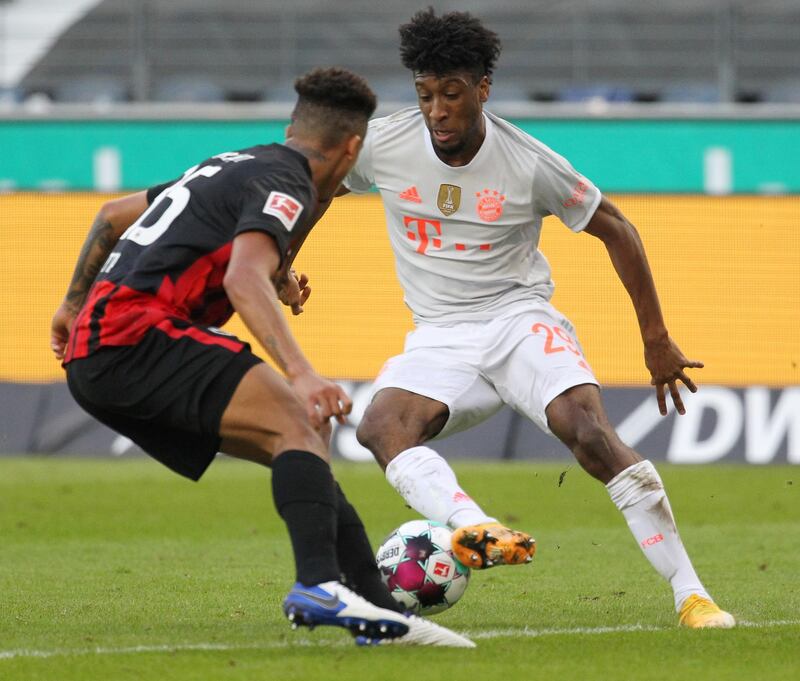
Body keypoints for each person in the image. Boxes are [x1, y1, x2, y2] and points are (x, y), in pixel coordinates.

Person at [335, 9, 734, 629]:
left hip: (517, 319)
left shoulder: (528, 162)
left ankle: (692, 595)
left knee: (590, 435)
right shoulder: (387, 144)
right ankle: (474, 529)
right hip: (440, 334)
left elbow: (619, 230)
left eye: (451, 94)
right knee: (381, 427)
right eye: (424, 95)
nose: (437, 110)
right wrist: (281, 260)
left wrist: (656, 339)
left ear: (482, 90)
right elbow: (314, 183)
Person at [49, 67, 473, 648]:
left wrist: (73, 305)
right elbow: (242, 275)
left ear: (291, 126)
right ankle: (319, 585)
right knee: (300, 417)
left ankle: (381, 616)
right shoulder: (290, 181)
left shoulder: (233, 164)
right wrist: (301, 373)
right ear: (351, 149)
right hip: (134, 337)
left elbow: (112, 216)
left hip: (98, 353)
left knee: (301, 445)